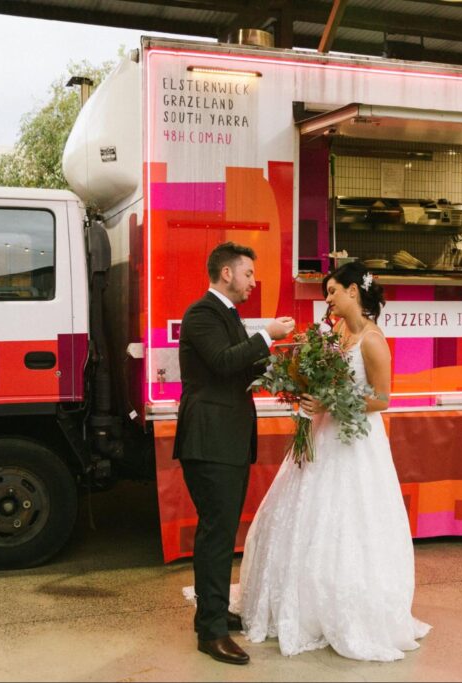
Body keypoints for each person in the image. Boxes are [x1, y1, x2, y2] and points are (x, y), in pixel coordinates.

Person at [237, 261, 431, 662]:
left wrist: (331, 402)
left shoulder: (373, 341)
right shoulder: (338, 331)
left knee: (350, 522)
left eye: (332, 291)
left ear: (353, 293)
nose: (327, 299)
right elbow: (322, 373)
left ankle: (345, 610)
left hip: (355, 443)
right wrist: (307, 392)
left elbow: (381, 399)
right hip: (323, 434)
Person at [174, 241, 295, 666]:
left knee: (220, 531)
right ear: (226, 273)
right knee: (217, 534)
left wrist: (288, 362)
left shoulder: (226, 315)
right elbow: (224, 363)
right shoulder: (202, 313)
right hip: (210, 441)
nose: (252, 281)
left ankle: (213, 611)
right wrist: (267, 336)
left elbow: (239, 369)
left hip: (225, 440)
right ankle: (210, 632)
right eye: (248, 274)